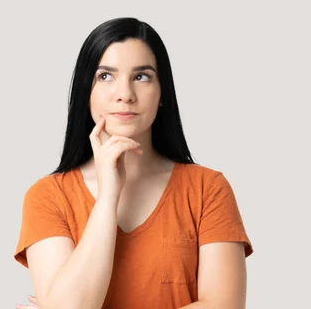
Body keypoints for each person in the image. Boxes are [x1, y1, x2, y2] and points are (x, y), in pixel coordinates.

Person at [13, 17, 253, 309]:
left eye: (142, 76)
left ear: (162, 92)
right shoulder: (47, 196)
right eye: (105, 76)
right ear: (85, 92)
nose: (124, 94)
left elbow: (224, 306)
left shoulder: (208, 189)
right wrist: (108, 196)